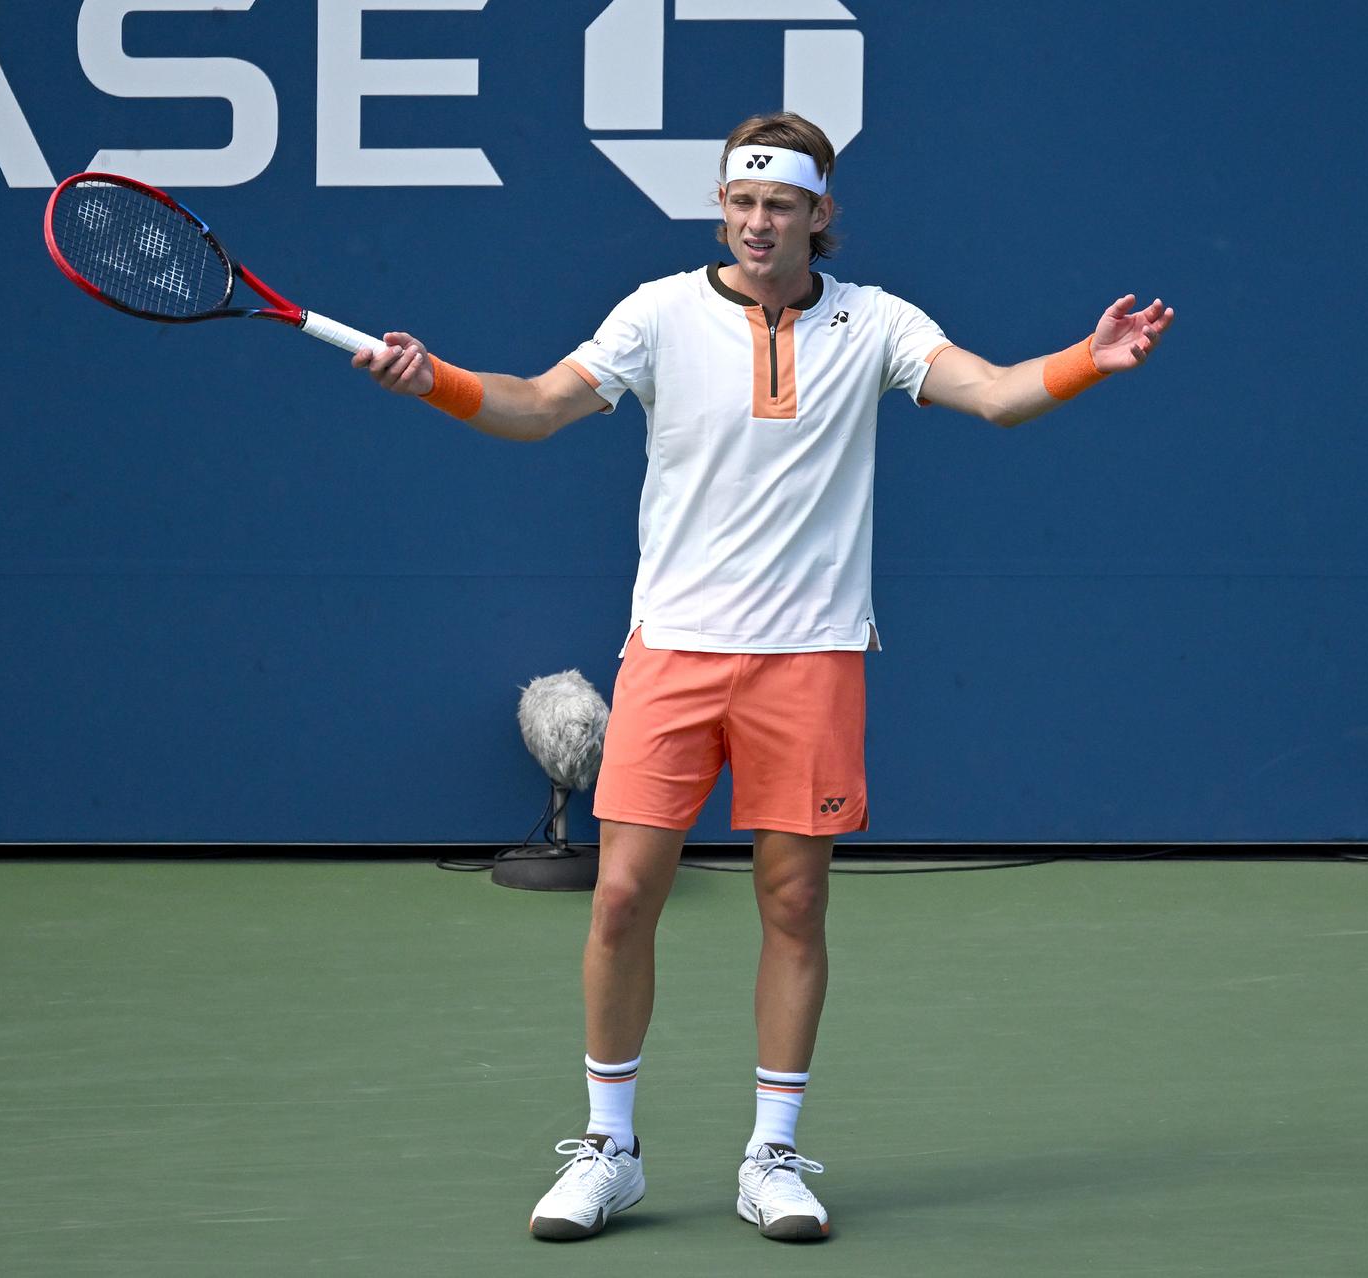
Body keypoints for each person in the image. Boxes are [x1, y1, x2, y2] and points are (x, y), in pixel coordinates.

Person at [355, 111, 1173, 1244]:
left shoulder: (875, 323)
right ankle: (610, 1149)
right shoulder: (656, 314)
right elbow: (536, 406)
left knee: (793, 900)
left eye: (780, 205)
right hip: (674, 654)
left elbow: (990, 392)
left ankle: (772, 1156)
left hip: (812, 659)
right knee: (626, 895)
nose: (756, 222)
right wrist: (432, 378)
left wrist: (1094, 358)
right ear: (721, 205)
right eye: (741, 202)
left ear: (819, 215)